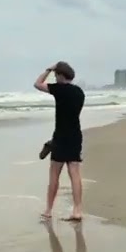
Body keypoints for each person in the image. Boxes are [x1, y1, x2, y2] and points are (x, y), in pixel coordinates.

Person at [34, 61, 85, 221]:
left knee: (54, 174)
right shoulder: (79, 92)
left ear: (61, 75)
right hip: (75, 136)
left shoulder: (59, 89)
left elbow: (37, 84)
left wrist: (48, 69)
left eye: (56, 75)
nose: (55, 78)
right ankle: (77, 210)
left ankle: (49, 210)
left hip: (61, 136)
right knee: (75, 174)